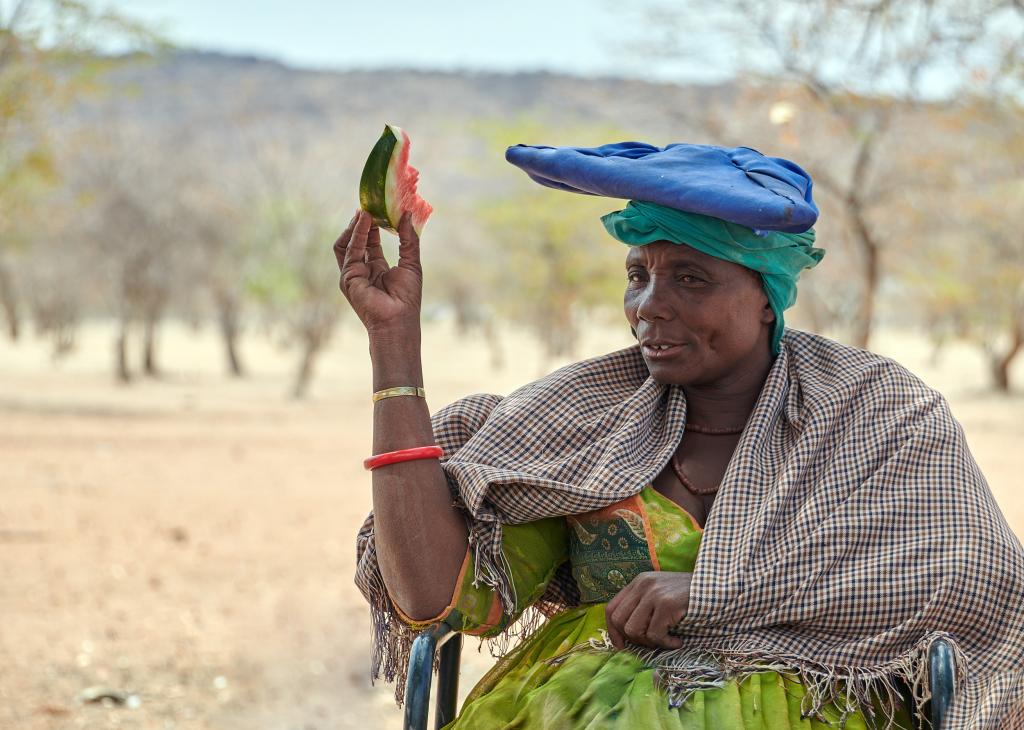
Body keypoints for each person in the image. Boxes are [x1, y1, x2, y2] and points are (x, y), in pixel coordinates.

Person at [336, 141, 1024, 729]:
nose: (649, 305)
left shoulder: (878, 411)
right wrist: (393, 343)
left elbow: (974, 578)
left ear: (767, 296)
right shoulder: (580, 418)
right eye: (639, 275)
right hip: (581, 706)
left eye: (690, 278)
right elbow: (438, 600)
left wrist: (719, 596)